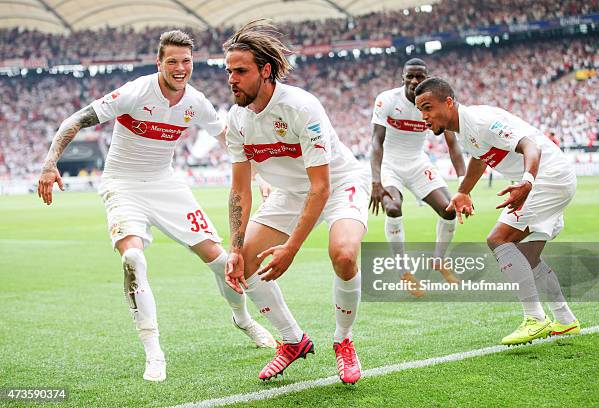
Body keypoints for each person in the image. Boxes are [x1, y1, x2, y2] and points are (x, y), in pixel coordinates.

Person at [37, 30, 275, 383]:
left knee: (223, 261)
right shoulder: (135, 92)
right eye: (172, 62)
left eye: (186, 61)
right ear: (159, 63)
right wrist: (49, 163)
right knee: (133, 259)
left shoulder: (195, 101)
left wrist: (258, 174)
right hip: (122, 184)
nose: (180, 68)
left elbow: (226, 137)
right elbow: (74, 121)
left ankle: (243, 319)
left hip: (166, 184)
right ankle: (154, 353)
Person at [222, 20, 370, 384]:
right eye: (229, 71)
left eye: (240, 71)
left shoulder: (302, 107)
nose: (231, 79)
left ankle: (343, 340)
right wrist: (237, 248)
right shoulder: (237, 120)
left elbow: (320, 187)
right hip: (290, 194)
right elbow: (240, 190)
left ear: (266, 70)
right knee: (243, 264)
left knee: (345, 254)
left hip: (338, 185)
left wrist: (291, 247)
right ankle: (292, 341)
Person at [414, 77, 580, 346]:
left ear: (448, 102)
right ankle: (565, 319)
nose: (424, 116)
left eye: (428, 107)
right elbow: (480, 159)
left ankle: (535, 319)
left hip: (547, 178)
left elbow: (531, 145)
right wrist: (463, 191)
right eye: (420, 110)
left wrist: (527, 182)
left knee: (498, 239)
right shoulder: (465, 129)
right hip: (550, 178)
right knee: (529, 256)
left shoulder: (480, 121)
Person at [370, 58, 466, 296]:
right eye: (410, 76)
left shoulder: (434, 102)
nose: (414, 81)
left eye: (419, 77)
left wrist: (464, 186)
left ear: (427, 78)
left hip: (417, 163)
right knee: (392, 207)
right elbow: (376, 142)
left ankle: (438, 261)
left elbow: (453, 145)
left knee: (449, 210)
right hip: (389, 164)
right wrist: (376, 180)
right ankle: (404, 272)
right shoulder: (387, 100)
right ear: (402, 77)